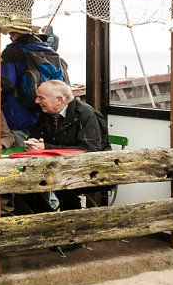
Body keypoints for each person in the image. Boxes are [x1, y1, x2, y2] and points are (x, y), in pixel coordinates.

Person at [20, 80, 109, 213]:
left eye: (41, 98)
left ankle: (68, 223)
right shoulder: (47, 112)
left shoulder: (86, 115)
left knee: (63, 185)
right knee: (23, 183)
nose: (37, 101)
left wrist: (46, 148)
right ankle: (49, 219)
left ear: (59, 100)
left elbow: (89, 151)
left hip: (91, 170)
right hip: (59, 168)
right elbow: (36, 133)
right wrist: (32, 142)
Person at [0, 26, 69, 136]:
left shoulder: (10, 52)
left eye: (11, 36)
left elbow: (6, 84)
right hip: (44, 115)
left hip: (18, 116)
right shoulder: (49, 51)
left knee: (20, 150)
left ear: (15, 35)